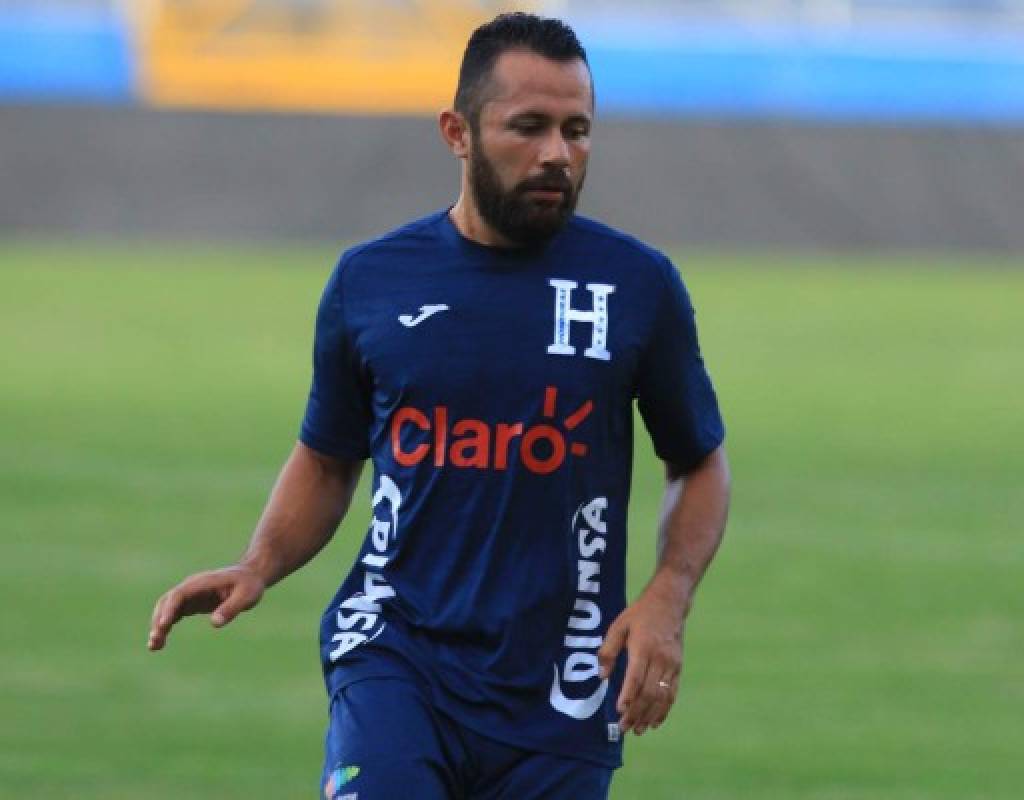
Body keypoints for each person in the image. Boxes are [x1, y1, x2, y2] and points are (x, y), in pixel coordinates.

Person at [147, 12, 730, 800]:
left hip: (564, 685)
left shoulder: (636, 287)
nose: (558, 153)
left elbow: (698, 463)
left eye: (577, 129)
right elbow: (327, 455)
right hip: (396, 655)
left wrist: (667, 598)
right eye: (528, 127)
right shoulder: (371, 282)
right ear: (457, 132)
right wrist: (260, 563)